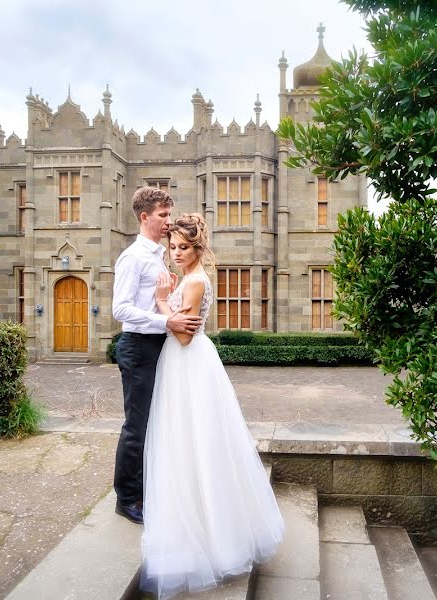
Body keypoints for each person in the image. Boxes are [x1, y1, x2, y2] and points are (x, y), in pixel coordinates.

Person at [140, 213, 284, 599]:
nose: (176, 254)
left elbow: (184, 337)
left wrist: (159, 300)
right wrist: (167, 297)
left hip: (189, 363)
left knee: (197, 440)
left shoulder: (196, 281)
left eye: (183, 248)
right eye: (172, 247)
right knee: (183, 441)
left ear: (198, 248)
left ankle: (210, 533)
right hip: (182, 365)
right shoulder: (185, 279)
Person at [111, 187, 203, 525]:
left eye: (169, 214)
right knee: (136, 426)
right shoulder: (133, 257)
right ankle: (126, 499)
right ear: (144, 217)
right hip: (137, 346)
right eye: (162, 215)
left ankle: (143, 489)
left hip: (156, 347)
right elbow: (120, 308)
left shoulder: (158, 256)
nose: (167, 221)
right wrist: (167, 319)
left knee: (152, 423)